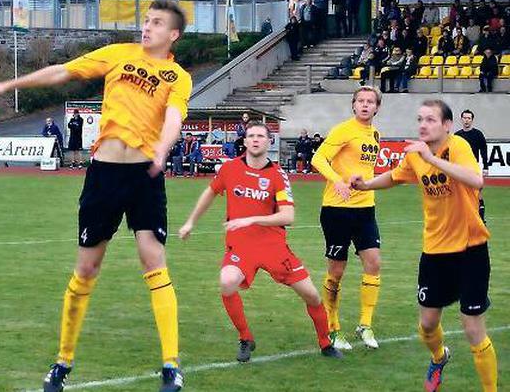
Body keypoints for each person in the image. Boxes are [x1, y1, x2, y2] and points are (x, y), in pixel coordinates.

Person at [0, 0, 191, 392]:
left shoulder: (178, 76)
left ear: (173, 34)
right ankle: (63, 361)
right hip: (104, 175)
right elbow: (63, 71)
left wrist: (162, 149)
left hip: (144, 175)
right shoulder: (119, 54)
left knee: (154, 261)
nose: (147, 27)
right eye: (146, 21)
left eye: (157, 23)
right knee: (86, 269)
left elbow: (174, 116)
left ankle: (171, 365)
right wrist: (7, 85)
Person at [351, 99, 497, 392]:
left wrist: (432, 159)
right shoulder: (416, 155)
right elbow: (395, 176)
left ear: (447, 125)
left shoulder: (457, 146)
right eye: (420, 119)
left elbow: (475, 179)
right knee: (427, 325)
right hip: (435, 250)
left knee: (472, 327)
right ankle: (439, 357)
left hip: (471, 248)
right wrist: (366, 184)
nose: (423, 125)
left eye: (430, 119)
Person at [178, 121, 342, 363]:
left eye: (261, 136)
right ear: (244, 141)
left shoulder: (277, 174)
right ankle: (245, 338)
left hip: (274, 248)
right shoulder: (230, 169)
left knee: (312, 296)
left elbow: (288, 216)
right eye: (251, 136)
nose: (255, 139)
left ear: (269, 142)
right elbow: (211, 192)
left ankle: (325, 343)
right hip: (241, 247)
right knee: (227, 282)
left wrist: (252, 219)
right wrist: (190, 222)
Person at [310, 86, 384, 351]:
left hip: (365, 208)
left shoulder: (375, 134)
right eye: (360, 100)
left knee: (374, 262)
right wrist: (338, 181)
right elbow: (318, 158)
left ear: (377, 107)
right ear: (353, 105)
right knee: (337, 271)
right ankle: (332, 328)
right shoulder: (343, 130)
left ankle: (365, 325)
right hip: (336, 209)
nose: (365, 105)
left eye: (370, 101)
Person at [454, 109, 488, 222]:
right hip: (461, 169)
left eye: (469, 118)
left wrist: (486, 167)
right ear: (461, 119)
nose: (466, 120)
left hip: (473, 168)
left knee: (477, 193)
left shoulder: (478, 134)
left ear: (472, 120)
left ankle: (481, 219)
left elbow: (484, 150)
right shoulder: (457, 136)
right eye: (465, 118)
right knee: (460, 194)